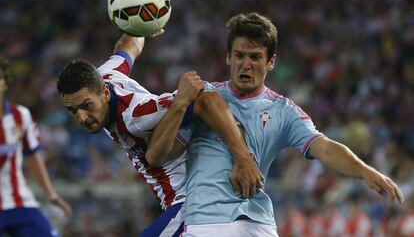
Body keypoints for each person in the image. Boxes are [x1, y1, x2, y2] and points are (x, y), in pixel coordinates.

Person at [147, 12, 405, 236]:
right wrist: (180, 104)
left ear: (271, 62)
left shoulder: (284, 111)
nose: (246, 64)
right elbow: (158, 156)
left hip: (258, 223)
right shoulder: (201, 96)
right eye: (239, 55)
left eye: (256, 57)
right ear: (228, 57)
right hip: (207, 223)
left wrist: (364, 170)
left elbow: (325, 148)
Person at [56, 34, 262, 236]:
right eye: (73, 110)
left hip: (190, 201)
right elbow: (128, 45)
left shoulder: (135, 114)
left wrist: (243, 158)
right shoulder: (105, 75)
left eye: (86, 106)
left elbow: (208, 100)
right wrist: (141, 22)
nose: (81, 117)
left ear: (105, 94)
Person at [0, 58, 72, 236]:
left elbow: (32, 156)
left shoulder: (20, 116)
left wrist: (51, 194)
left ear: (5, 82)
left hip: (19, 202)